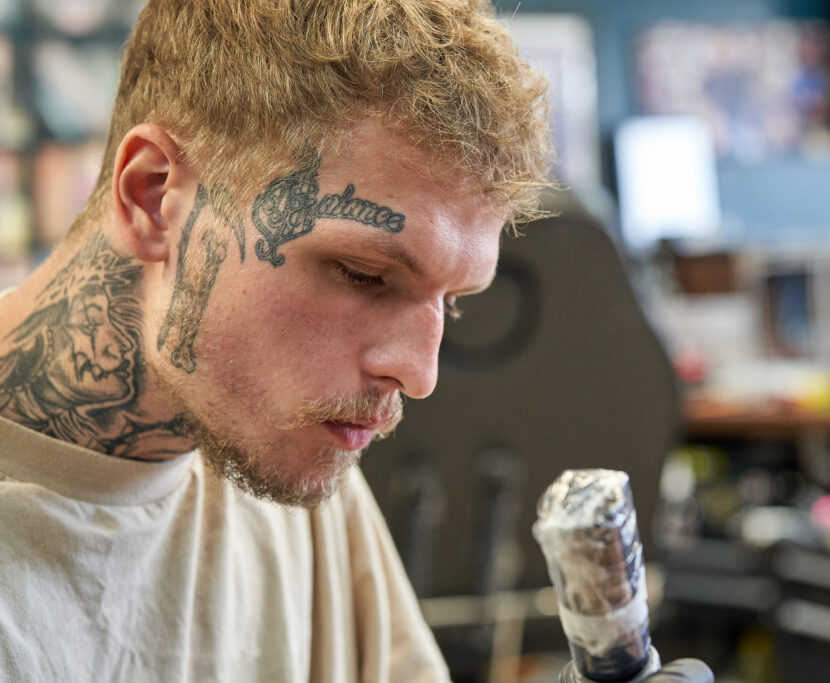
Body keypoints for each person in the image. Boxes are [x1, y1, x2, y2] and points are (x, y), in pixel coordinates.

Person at [0, 0, 551, 680]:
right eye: (363, 274)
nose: (419, 373)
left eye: (454, 304)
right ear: (152, 197)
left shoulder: (290, 447)